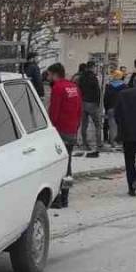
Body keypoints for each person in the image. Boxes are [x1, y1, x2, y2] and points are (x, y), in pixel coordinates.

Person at [46, 63, 82, 207]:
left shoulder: (58, 88)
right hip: (72, 129)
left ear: (55, 74)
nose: (48, 78)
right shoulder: (74, 87)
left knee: (57, 165)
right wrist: (76, 127)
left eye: (48, 75)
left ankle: (58, 197)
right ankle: (65, 196)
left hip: (60, 131)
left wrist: (50, 129)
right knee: (67, 164)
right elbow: (80, 109)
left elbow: (54, 111)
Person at [77, 61, 103, 156]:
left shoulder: (81, 77)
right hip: (92, 103)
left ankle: (85, 144)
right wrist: (98, 103)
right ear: (92, 67)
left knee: (84, 124)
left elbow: (78, 89)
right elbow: (97, 91)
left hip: (82, 102)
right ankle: (99, 144)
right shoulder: (93, 77)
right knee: (98, 125)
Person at [103, 69, 126, 145]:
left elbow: (105, 98)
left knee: (112, 125)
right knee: (121, 125)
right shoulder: (124, 86)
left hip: (111, 108)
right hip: (122, 109)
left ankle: (113, 141)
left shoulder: (109, 86)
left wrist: (106, 108)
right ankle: (120, 140)